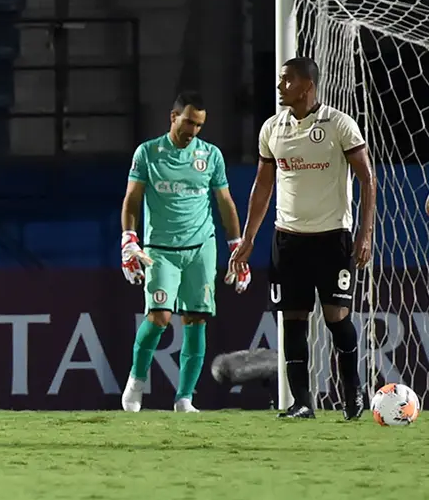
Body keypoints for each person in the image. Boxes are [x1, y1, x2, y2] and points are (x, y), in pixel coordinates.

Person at [230, 57, 375, 420]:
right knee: (292, 320)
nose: (280, 87)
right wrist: (248, 238)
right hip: (288, 240)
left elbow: (367, 179)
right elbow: (263, 186)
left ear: (307, 85)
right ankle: (302, 402)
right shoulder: (272, 129)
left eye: (286, 81)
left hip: (332, 239)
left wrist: (365, 233)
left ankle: (352, 395)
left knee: (336, 317)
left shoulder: (339, 124)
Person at [120, 91, 249, 413]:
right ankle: (136, 382)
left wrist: (238, 248)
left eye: (199, 125)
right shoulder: (148, 153)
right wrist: (128, 240)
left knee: (196, 320)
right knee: (160, 317)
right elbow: (132, 199)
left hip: (201, 247)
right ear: (173, 117)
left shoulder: (210, 155)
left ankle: (184, 398)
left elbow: (225, 202)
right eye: (189, 121)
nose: (193, 130)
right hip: (160, 250)